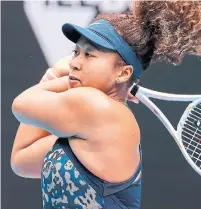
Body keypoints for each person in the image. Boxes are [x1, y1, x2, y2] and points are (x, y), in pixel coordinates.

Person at [11, 1, 201, 209]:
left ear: (123, 73)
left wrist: (57, 74)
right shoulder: (89, 127)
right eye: (76, 52)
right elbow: (21, 160)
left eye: (89, 54)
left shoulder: (98, 109)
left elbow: (21, 105)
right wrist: (61, 77)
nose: (74, 62)